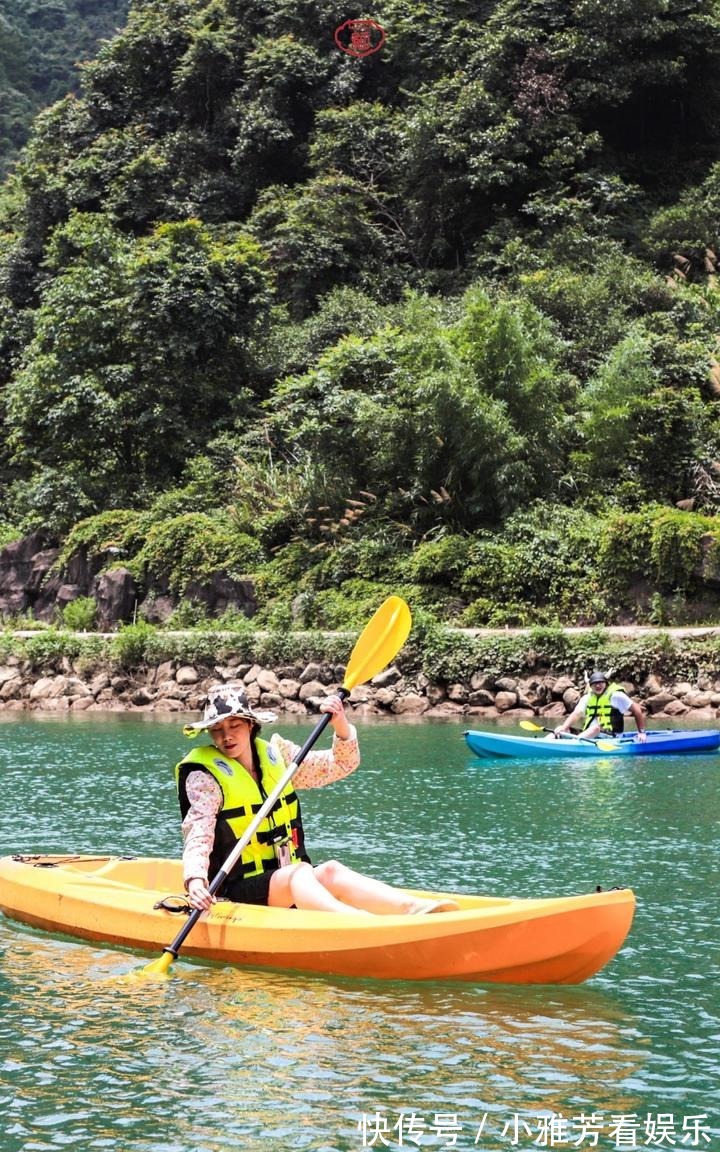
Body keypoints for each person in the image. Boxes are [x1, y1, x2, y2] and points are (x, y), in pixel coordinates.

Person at [176, 684, 458, 916]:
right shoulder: (204, 776)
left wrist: (341, 725)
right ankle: (359, 922)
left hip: (284, 881)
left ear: (250, 725)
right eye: (217, 730)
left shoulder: (279, 756)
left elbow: (338, 764)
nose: (226, 737)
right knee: (300, 873)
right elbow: (198, 832)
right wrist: (196, 881)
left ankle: (415, 910)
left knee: (331, 870)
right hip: (235, 890)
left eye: (234, 725)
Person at [554, 670, 647, 741]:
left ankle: (572, 745)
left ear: (606, 683)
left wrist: (641, 733)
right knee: (560, 728)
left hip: (612, 736)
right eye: (595, 683)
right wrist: (564, 727)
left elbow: (637, 710)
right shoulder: (587, 698)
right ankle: (543, 743)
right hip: (589, 735)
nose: (598, 686)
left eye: (601, 682)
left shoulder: (616, 696)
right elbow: (576, 713)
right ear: (590, 686)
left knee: (595, 728)